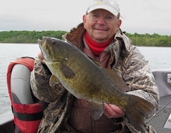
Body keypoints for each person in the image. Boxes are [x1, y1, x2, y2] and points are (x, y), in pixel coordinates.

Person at [30, 0, 159, 132]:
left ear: (118, 24)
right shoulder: (63, 51)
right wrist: (45, 67)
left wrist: (124, 108)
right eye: (95, 16)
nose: (101, 22)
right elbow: (45, 96)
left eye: (108, 17)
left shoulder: (131, 55)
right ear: (85, 20)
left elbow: (150, 97)